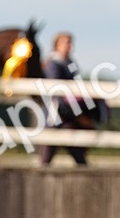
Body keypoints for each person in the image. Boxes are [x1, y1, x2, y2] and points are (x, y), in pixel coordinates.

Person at [39, 32, 94, 167]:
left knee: (78, 156)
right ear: (57, 45)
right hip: (55, 116)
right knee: (46, 158)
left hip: (68, 117)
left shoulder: (70, 63)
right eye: (66, 42)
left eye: (70, 43)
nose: (69, 46)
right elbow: (56, 92)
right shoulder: (53, 64)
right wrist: (78, 115)